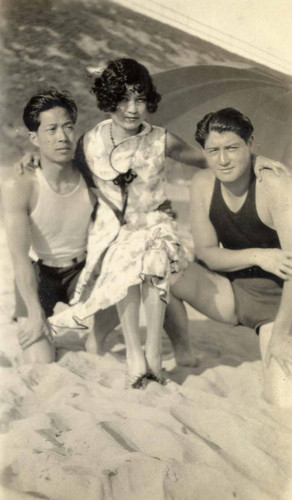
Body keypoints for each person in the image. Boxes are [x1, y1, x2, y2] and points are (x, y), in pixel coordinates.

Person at [45, 59, 287, 389]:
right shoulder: (90, 141)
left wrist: (257, 159)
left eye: (140, 100)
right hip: (108, 229)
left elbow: (212, 157)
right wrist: (36, 160)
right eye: (124, 99)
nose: (133, 109)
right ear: (109, 98)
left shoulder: (161, 139)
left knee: (153, 256)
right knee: (126, 261)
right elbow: (66, 176)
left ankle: (153, 357)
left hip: (155, 224)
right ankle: (134, 353)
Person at [167, 107, 292, 406]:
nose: (223, 160)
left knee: (281, 400)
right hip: (235, 295)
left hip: (282, 307)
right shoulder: (202, 184)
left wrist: (282, 336)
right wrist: (260, 256)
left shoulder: (274, 184)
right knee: (163, 269)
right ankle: (182, 348)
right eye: (214, 150)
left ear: (251, 144)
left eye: (232, 148)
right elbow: (208, 255)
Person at [1, 89, 119, 363]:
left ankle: (96, 339)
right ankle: (40, 324)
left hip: (81, 270)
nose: (62, 137)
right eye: (51, 129)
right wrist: (34, 312)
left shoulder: (91, 176)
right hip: (39, 274)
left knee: (130, 277)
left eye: (68, 127)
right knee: (40, 360)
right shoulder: (21, 185)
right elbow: (19, 260)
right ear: (34, 138)